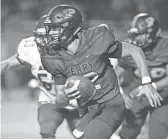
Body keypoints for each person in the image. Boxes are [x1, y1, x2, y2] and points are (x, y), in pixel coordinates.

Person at [20, 5, 162, 139]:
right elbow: (61, 99)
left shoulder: (96, 39)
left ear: (71, 29)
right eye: (50, 29)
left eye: (56, 29)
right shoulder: (51, 57)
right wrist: (65, 96)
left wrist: (147, 82)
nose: (51, 34)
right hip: (87, 110)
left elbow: (134, 50)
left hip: (111, 105)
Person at [0, 16, 80, 139]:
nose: (43, 41)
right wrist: (3, 65)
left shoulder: (75, 48)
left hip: (78, 101)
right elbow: (10, 62)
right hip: (50, 99)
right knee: (46, 131)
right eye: (40, 36)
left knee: (83, 135)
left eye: (47, 36)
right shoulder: (30, 47)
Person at [116, 13, 168, 139]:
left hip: (163, 95)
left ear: (155, 33)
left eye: (141, 34)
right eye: (135, 34)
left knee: (158, 130)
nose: (136, 39)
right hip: (137, 93)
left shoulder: (165, 47)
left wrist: (152, 86)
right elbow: (114, 75)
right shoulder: (130, 48)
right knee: (129, 131)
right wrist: (121, 93)